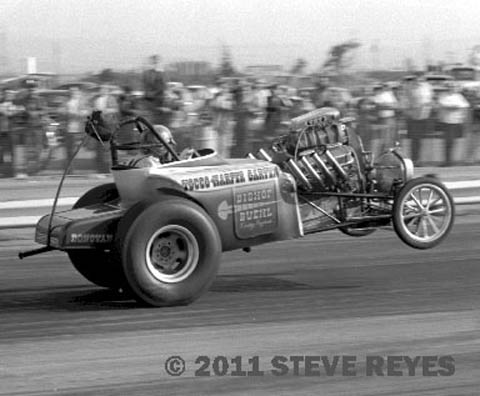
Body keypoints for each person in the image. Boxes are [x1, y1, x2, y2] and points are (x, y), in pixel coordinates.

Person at [402, 76, 434, 165]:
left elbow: (430, 101)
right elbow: (407, 103)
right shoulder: (409, 89)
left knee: (424, 140)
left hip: (425, 117)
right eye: (417, 81)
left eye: (421, 81)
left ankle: (423, 159)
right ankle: (415, 159)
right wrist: (411, 110)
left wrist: (427, 105)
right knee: (415, 140)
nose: (419, 82)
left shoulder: (427, 89)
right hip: (414, 118)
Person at [436, 82, 470, 166]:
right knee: (448, 142)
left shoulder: (459, 96)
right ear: (448, 88)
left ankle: (453, 160)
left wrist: (453, 107)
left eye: (454, 87)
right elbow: (443, 105)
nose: (452, 88)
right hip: (447, 122)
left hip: (457, 122)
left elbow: (465, 105)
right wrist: (455, 107)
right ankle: (447, 161)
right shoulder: (443, 95)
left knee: (455, 142)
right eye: (450, 87)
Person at [142, 55, 166, 124]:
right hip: (148, 100)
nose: (154, 63)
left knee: (156, 119)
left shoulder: (160, 74)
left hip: (157, 99)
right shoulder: (146, 73)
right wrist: (147, 93)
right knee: (149, 118)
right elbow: (145, 85)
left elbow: (162, 86)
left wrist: (153, 93)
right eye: (153, 61)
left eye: (155, 62)